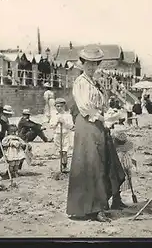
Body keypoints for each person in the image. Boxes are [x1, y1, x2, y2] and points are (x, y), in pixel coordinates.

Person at [66, 45, 126, 223]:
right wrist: (101, 117)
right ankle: (93, 208)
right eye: (88, 64)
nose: (92, 67)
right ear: (82, 64)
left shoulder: (95, 82)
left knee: (103, 161)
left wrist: (110, 114)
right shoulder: (81, 82)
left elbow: (103, 105)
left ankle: (108, 200)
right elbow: (85, 107)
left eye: (95, 64)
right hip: (87, 124)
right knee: (90, 164)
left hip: (98, 123)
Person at [49, 98, 75, 173]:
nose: (59, 108)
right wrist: (56, 123)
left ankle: (65, 166)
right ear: (55, 107)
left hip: (65, 134)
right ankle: (62, 165)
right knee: (60, 151)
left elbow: (71, 126)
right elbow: (51, 126)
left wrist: (64, 122)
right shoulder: (54, 115)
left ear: (64, 106)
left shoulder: (68, 115)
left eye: (61, 106)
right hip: (57, 134)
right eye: (57, 106)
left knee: (65, 151)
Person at [113, 127, 137, 198]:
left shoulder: (115, 152)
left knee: (116, 187)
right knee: (120, 185)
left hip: (116, 172)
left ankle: (117, 198)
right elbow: (127, 165)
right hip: (122, 173)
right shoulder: (123, 154)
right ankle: (117, 199)